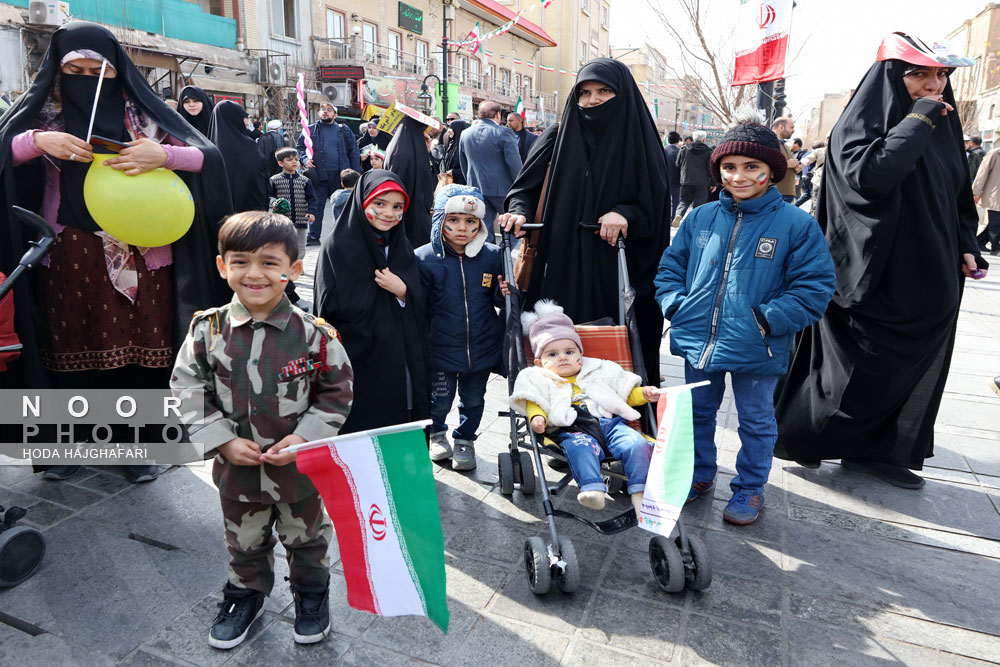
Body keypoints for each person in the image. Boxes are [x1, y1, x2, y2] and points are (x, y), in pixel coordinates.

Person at [0, 21, 232, 483]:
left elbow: (210, 157)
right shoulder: (42, 117)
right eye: (76, 70)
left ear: (118, 71)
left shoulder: (145, 118)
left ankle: (136, 448)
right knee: (67, 345)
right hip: (67, 252)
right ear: (56, 72)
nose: (88, 79)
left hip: (144, 255)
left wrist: (162, 156)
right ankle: (63, 446)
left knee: (142, 350)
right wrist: (37, 142)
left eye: (99, 71)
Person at [773, 33, 989, 490]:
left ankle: (878, 451)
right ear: (891, 76)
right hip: (871, 275)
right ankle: (808, 437)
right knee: (858, 369)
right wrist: (919, 119)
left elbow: (955, 195)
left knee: (905, 372)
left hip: (931, 273)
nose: (934, 85)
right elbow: (871, 177)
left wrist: (967, 241)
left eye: (940, 75)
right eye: (919, 74)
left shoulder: (944, 126)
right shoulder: (866, 123)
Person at [170, 211, 353, 649]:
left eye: (270, 262)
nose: (255, 273)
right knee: (244, 542)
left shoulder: (315, 335)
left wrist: (305, 437)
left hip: (300, 474)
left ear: (294, 269)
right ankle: (245, 597)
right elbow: (187, 387)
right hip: (238, 474)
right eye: (240, 261)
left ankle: (311, 596)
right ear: (222, 266)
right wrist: (224, 440)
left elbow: (337, 392)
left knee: (307, 541)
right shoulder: (206, 330)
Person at [655, 117, 836, 524]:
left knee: (755, 421)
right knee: (699, 412)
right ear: (718, 170)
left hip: (759, 343)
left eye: (751, 167)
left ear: (772, 171)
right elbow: (671, 268)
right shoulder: (700, 218)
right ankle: (699, 475)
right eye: (730, 167)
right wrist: (676, 305)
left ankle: (751, 488)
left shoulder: (797, 225)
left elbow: (815, 287)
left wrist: (767, 320)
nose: (739, 176)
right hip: (700, 339)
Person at [500, 58, 670, 386]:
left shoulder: (642, 144)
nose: (593, 100)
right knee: (557, 352)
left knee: (616, 357)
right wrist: (518, 211)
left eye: (604, 91)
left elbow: (656, 206)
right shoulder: (557, 137)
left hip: (617, 269)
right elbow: (523, 190)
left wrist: (625, 213)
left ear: (623, 94)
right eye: (585, 92)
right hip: (560, 264)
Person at [511, 301, 661, 515]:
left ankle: (640, 494)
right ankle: (593, 489)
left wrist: (644, 394)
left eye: (569, 351)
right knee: (579, 448)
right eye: (552, 354)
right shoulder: (539, 378)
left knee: (637, 444)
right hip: (574, 429)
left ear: (580, 356)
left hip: (612, 425)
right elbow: (535, 401)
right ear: (539, 362)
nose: (563, 357)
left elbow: (624, 393)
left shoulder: (600, 369)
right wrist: (538, 418)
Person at [314, 169, 431, 434]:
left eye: (397, 206)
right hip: (356, 356)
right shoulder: (338, 246)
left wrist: (403, 291)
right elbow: (328, 304)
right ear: (362, 200)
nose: (389, 213)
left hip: (397, 357)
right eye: (379, 203)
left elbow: (419, 300)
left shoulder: (401, 245)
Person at [416, 185, 507, 471]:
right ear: (438, 220)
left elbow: (494, 296)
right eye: (453, 220)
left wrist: (503, 292)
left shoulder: (492, 255)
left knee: (474, 399)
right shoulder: (424, 258)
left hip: (481, 345)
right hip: (440, 347)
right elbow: (420, 305)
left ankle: (465, 439)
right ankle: (437, 432)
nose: (462, 228)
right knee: (439, 400)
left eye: (471, 221)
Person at [298, 103, 360, 245]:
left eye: (329, 110)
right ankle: (313, 236)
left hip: (341, 177)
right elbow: (300, 147)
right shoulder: (310, 130)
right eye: (323, 110)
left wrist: (355, 174)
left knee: (343, 206)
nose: (325, 112)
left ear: (335, 115)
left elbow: (354, 152)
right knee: (316, 206)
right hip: (318, 176)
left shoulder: (343, 130)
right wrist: (305, 159)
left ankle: (342, 236)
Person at [458, 100, 522, 231]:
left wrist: (471, 182)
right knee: (513, 226)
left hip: (476, 187)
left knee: (483, 229)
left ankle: (488, 251)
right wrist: (520, 186)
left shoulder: (465, 133)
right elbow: (514, 164)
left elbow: (463, 163)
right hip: (503, 190)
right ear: (498, 115)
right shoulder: (504, 132)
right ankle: (504, 251)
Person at [268, 147, 318, 306]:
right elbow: (268, 196)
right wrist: (273, 202)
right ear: (280, 163)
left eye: (296, 159)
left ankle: (297, 266)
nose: (294, 162)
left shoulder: (305, 180)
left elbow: (312, 198)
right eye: (290, 160)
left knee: (300, 247)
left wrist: (311, 212)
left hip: (301, 221)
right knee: (283, 248)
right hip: (282, 223)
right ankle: (287, 269)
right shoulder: (274, 180)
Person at [384, 115, 437, 246]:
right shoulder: (415, 152)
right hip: (416, 206)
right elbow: (428, 176)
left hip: (397, 205)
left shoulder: (394, 147)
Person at [209, 101, 270, 212]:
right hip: (249, 215)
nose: (246, 123)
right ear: (233, 119)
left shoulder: (210, 148)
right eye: (243, 118)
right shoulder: (247, 146)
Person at [673, 130, 713, 224]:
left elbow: (678, 164)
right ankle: (695, 222)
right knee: (699, 203)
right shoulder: (708, 151)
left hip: (686, 180)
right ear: (704, 139)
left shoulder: (684, 149)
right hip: (702, 182)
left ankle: (679, 214)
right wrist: (713, 183)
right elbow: (710, 168)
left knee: (684, 200)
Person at [973, 142, 1000, 255]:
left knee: (995, 223)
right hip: (995, 194)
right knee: (996, 223)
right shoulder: (994, 154)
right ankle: (995, 248)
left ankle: (979, 242)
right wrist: (976, 191)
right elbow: (982, 173)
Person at [771, 117, 799, 203]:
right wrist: (786, 164)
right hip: (777, 194)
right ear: (781, 127)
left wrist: (796, 169)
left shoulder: (786, 146)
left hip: (788, 193)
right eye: (791, 127)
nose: (793, 131)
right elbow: (764, 167)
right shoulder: (770, 144)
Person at [439, 119, 469, 185]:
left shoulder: (466, 146)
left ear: (457, 129)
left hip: (462, 184)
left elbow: (469, 167)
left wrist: (455, 173)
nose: (448, 131)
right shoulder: (451, 144)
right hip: (450, 182)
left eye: (451, 128)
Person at [664, 131, 682, 220]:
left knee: (664, 199)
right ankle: (673, 217)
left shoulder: (663, 149)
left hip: (664, 178)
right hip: (676, 179)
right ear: (678, 140)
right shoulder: (679, 151)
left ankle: (664, 217)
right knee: (675, 200)